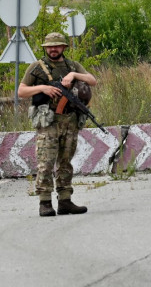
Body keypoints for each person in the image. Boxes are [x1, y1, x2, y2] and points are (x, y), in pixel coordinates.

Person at [18, 32, 98, 217]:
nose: (53, 49)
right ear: (45, 48)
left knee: (65, 162)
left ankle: (65, 200)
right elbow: (21, 91)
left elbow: (92, 80)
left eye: (57, 46)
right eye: (50, 46)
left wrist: (73, 75)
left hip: (69, 121)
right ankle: (44, 202)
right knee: (45, 162)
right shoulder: (36, 67)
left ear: (63, 47)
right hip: (48, 121)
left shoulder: (72, 66)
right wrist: (43, 88)